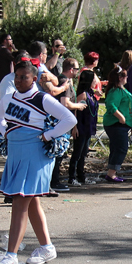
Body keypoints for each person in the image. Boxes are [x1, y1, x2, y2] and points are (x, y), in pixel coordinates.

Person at [0, 59, 77, 264]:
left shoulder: (43, 98)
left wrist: (47, 135)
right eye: (17, 77)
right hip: (16, 153)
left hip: (35, 154)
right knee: (31, 203)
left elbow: (69, 119)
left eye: (25, 77)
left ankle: (11, 256)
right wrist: (6, 133)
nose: (19, 80)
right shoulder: (9, 98)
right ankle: (47, 247)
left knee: (20, 200)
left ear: (34, 79)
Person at [49, 58, 85, 192]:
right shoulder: (65, 82)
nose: (77, 72)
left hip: (60, 122)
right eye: (76, 69)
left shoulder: (60, 79)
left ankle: (53, 180)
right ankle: (54, 181)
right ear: (71, 69)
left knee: (58, 152)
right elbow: (65, 103)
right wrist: (79, 105)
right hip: (60, 122)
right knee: (58, 152)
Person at [103, 66, 132, 182]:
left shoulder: (122, 89)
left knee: (116, 148)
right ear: (120, 77)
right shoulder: (115, 90)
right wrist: (120, 117)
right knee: (121, 148)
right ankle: (111, 174)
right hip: (115, 124)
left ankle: (111, 173)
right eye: (125, 76)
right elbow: (110, 104)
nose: (127, 78)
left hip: (121, 125)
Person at [69, 70, 99, 186]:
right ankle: (72, 177)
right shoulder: (83, 95)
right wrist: (74, 127)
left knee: (84, 153)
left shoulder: (91, 93)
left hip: (88, 127)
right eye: (94, 79)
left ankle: (81, 176)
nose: (96, 81)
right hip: (81, 126)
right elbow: (75, 111)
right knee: (77, 153)